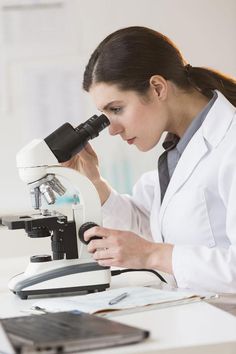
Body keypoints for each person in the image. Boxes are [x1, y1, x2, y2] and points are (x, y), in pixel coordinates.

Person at [64, 26, 236, 293]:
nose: (112, 129)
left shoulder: (230, 143)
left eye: (117, 109)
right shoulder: (178, 148)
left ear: (157, 88)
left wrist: (151, 255)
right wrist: (95, 184)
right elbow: (151, 228)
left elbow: (152, 248)